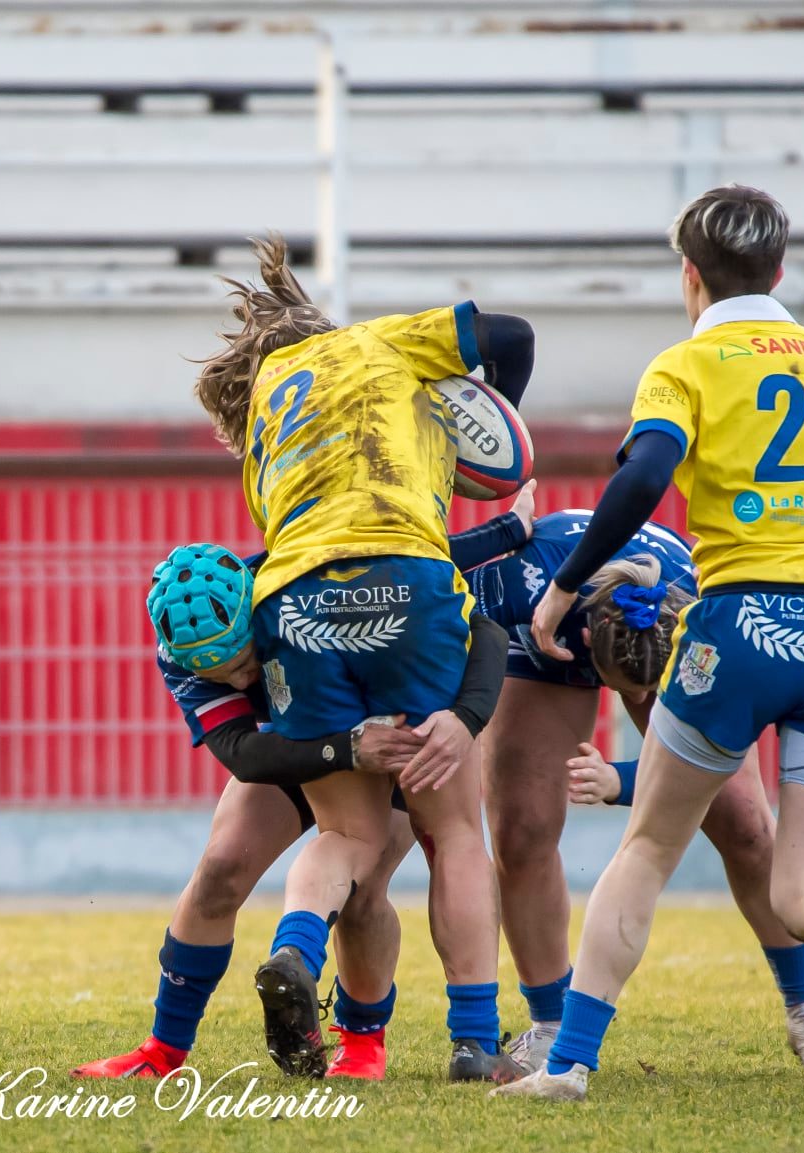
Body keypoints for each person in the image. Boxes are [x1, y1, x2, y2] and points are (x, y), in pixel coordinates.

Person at [494, 185, 804, 1103]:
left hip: (740, 627)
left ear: (690, 275)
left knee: (649, 849)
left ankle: (568, 1064)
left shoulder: (685, 364)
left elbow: (645, 475)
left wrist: (569, 582)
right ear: (780, 269)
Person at [193, 235, 536, 1079]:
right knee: (453, 830)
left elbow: (313, 539)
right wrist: (495, 421)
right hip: (409, 582)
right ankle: (473, 1040)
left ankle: (296, 948)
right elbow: (514, 334)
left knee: (346, 831)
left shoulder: (266, 416)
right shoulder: (381, 340)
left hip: (295, 599)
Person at [74, 498, 531, 1082]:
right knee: (220, 867)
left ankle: (361, 1046)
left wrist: (507, 530)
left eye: (244, 659)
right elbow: (242, 752)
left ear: (252, 605)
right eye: (221, 674)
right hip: (304, 744)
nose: (241, 678)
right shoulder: (181, 654)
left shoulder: (279, 581)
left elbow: (420, 559)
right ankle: (162, 1053)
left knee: (362, 886)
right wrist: (346, 750)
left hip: (387, 732)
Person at [472, 510, 804, 1076]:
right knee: (520, 830)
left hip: (666, 631)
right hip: (546, 627)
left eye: (647, 692)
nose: (638, 702)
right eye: (630, 692)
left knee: (745, 824)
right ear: (588, 642)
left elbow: (714, 768)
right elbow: (437, 596)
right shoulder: (519, 585)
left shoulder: (707, 617)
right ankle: (550, 1023)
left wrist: (619, 781)